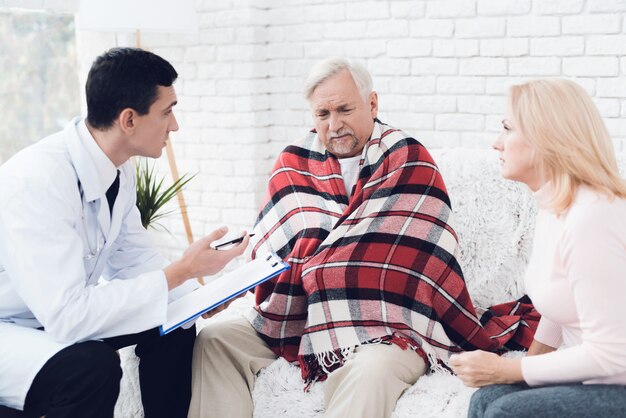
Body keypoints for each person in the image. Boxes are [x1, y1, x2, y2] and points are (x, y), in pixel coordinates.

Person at [187, 58, 538, 418]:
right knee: (215, 341)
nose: (334, 124)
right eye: (322, 114)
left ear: (372, 104)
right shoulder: (292, 162)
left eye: (344, 109)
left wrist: (323, 262)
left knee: (371, 371)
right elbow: (272, 249)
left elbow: (423, 257)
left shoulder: (408, 158)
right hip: (297, 317)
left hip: (389, 322)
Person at [0, 47, 249, 418]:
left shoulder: (119, 168)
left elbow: (135, 260)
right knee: (91, 367)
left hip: (55, 313)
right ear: (129, 120)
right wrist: (180, 270)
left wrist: (199, 296)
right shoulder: (38, 180)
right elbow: (67, 318)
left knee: (173, 323)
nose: (175, 125)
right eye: (167, 112)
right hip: (12, 326)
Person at [450, 78, 626, 417]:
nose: (496, 143)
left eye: (507, 128)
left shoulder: (593, 216)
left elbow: (613, 352)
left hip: (617, 379)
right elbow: (561, 304)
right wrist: (527, 370)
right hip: (598, 378)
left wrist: (509, 371)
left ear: (546, 139)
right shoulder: (554, 206)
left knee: (507, 412)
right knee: (486, 400)